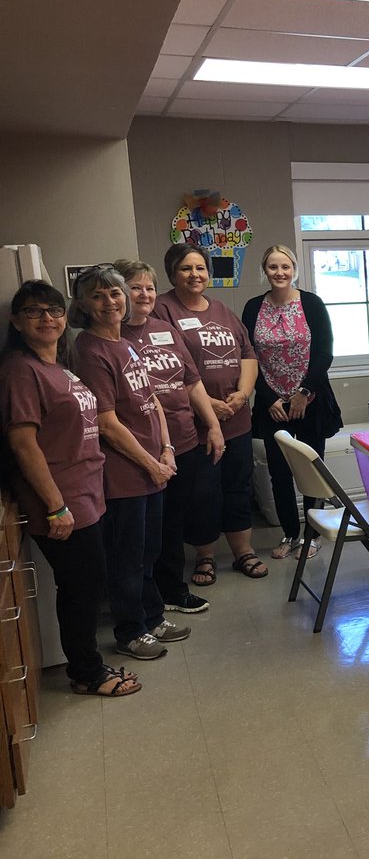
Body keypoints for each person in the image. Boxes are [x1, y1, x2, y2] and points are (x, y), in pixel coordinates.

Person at [0, 281, 141, 695]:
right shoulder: (20, 371)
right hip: (61, 501)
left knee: (88, 583)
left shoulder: (56, 365)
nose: (47, 319)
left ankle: (87, 662)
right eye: (34, 312)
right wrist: (56, 505)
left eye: (54, 310)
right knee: (81, 588)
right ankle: (86, 672)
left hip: (84, 493)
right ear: (16, 321)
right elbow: (23, 443)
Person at [70, 265, 190, 660]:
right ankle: (130, 631)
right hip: (125, 476)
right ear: (83, 305)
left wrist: (167, 450)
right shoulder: (89, 350)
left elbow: (151, 400)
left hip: (153, 468)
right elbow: (106, 422)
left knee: (149, 552)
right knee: (127, 558)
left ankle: (153, 616)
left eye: (115, 294)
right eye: (98, 296)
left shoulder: (125, 343)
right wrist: (151, 464)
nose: (110, 302)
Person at [115, 259, 224, 614]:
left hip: (185, 441)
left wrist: (213, 425)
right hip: (143, 449)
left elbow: (191, 381)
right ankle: (149, 601)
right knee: (147, 533)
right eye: (135, 287)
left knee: (174, 522)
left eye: (149, 287)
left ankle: (172, 590)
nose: (144, 294)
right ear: (119, 294)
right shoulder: (112, 338)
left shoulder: (165, 327)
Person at [154, 243, 265, 582]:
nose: (194, 275)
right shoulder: (162, 311)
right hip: (195, 426)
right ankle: (205, 556)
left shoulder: (222, 310)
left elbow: (248, 354)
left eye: (200, 268)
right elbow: (166, 371)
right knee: (202, 493)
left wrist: (242, 396)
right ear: (172, 273)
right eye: (186, 268)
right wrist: (208, 407)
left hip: (236, 420)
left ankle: (242, 551)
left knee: (238, 487)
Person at [241, 244, 342, 560]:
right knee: (279, 472)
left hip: (310, 400)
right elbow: (249, 356)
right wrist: (269, 396)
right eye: (273, 267)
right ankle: (290, 533)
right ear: (265, 271)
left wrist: (303, 394)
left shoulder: (311, 303)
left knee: (312, 469)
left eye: (285, 266)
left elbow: (324, 353)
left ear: (294, 269)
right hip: (271, 403)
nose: (279, 272)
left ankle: (313, 535)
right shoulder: (253, 307)